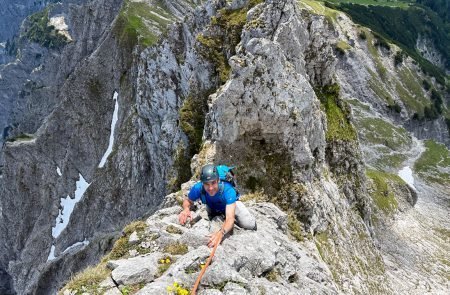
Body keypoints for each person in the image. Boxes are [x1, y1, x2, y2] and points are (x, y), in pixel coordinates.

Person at [178, 164, 257, 248]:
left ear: (218, 180)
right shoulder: (198, 188)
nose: (210, 188)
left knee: (249, 224)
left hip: (230, 205)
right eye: (207, 184)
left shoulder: (228, 190)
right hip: (213, 207)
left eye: (213, 183)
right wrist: (186, 209)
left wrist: (221, 233)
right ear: (202, 183)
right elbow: (188, 200)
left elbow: (230, 218)